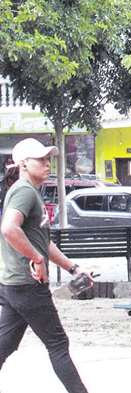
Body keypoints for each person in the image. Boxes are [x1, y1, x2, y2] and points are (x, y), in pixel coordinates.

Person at [0, 138, 92, 393]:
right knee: (58, 344)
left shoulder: (31, 192)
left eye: (48, 158)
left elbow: (44, 243)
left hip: (14, 286)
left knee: (4, 345)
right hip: (28, 285)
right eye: (40, 159)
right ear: (22, 164)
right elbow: (8, 228)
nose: (46, 163)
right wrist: (36, 259)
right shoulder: (24, 191)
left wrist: (73, 268)